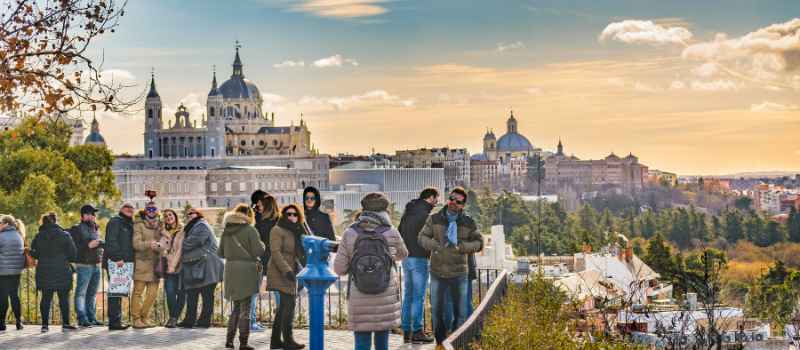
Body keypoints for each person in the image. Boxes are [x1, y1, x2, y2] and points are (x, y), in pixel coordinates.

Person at [333, 192, 409, 350]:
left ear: (364, 208)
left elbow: (339, 269)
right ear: (386, 210)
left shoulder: (350, 233)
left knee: (362, 345)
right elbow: (403, 254)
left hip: (359, 298)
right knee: (382, 345)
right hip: (385, 298)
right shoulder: (391, 232)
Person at [418, 187, 484, 348]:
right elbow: (422, 237)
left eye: (458, 201)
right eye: (451, 198)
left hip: (459, 272)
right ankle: (441, 341)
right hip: (437, 272)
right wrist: (436, 246)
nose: (453, 202)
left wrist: (461, 247)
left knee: (460, 312)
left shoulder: (468, 222)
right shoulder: (434, 218)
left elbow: (479, 242)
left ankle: (455, 342)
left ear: (463, 205)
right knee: (436, 309)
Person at [219, 204, 265, 349]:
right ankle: (243, 343)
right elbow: (259, 250)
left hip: (231, 271)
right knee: (246, 308)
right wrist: (263, 245)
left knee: (236, 308)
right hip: (246, 271)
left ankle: (229, 340)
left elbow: (220, 253)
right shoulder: (250, 230)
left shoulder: (226, 231)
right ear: (249, 215)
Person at [398, 187, 439, 344]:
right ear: (430, 198)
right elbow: (428, 237)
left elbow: (399, 233)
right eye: (436, 199)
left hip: (406, 259)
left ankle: (407, 333)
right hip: (420, 259)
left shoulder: (407, 212)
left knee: (408, 296)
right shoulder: (425, 215)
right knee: (419, 297)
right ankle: (418, 332)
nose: (436, 203)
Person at [265, 203, 307, 349]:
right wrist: (287, 271)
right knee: (289, 304)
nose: (292, 217)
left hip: (290, 269)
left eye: (295, 214)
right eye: (288, 214)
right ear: (284, 215)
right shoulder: (278, 229)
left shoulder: (297, 231)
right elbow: (275, 252)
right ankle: (288, 341)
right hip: (281, 270)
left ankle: (275, 340)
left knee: (283, 306)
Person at [30, 212, 78, 332]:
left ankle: (45, 325)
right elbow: (73, 255)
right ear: (56, 221)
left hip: (44, 269)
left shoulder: (38, 236)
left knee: (46, 297)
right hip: (62, 269)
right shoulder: (65, 235)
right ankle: (66, 324)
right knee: (63, 297)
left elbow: (34, 253)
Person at [178, 208, 224, 328]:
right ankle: (189, 321)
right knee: (192, 293)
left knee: (207, 294)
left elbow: (193, 241)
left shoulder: (202, 225)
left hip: (208, 266)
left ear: (199, 214)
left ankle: (203, 322)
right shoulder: (193, 227)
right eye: (187, 215)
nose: (189, 216)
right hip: (197, 265)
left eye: (191, 214)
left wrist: (179, 242)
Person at [69, 204, 104, 328]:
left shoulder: (96, 227)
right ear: (85, 215)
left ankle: (91, 318)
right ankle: (82, 318)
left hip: (97, 265)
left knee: (92, 294)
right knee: (80, 293)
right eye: (93, 214)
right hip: (84, 266)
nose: (95, 216)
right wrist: (89, 246)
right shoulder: (77, 228)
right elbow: (72, 248)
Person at [131, 202, 165, 328]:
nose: (152, 210)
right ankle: (136, 319)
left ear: (157, 210)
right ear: (145, 211)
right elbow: (136, 244)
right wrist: (149, 244)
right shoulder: (139, 225)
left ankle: (143, 318)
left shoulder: (161, 226)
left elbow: (166, 242)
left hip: (155, 265)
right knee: (137, 293)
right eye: (149, 208)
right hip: (142, 263)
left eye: (154, 208)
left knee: (153, 293)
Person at [103, 202, 136, 330]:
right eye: (127, 207)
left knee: (119, 291)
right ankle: (114, 321)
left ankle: (116, 320)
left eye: (132, 207)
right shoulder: (115, 222)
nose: (130, 209)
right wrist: (118, 257)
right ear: (121, 209)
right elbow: (111, 241)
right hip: (116, 262)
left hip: (125, 263)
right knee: (115, 292)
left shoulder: (129, 223)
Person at [251, 190, 280, 330]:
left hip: (262, 258)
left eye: (260, 205)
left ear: (266, 206)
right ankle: (281, 322)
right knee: (278, 290)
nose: (258, 207)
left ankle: (251, 321)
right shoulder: (279, 219)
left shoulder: (261, 221)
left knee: (254, 290)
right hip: (274, 257)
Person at [158, 208, 186, 328]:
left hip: (180, 266)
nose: (168, 217)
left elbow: (181, 248)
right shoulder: (165, 232)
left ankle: (174, 318)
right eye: (166, 216)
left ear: (175, 216)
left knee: (181, 294)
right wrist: (156, 245)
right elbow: (162, 246)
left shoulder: (183, 230)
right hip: (169, 266)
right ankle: (172, 317)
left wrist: (173, 265)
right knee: (170, 293)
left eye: (170, 215)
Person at [0, 215, 26, 331]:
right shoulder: (20, 235)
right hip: (17, 271)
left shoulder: (1, 236)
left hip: (3, 271)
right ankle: (19, 322)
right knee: (14, 295)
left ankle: (1, 322)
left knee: (3, 296)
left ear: (6, 224)